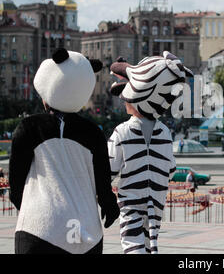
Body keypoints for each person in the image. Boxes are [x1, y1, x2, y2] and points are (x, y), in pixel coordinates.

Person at [9, 48, 119, 254]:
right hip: (86, 232)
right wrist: (109, 205)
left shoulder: (29, 128)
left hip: (40, 228)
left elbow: (16, 180)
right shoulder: (93, 133)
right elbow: (103, 182)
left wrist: (23, 206)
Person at [108, 51, 192, 254]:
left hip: (131, 201)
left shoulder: (122, 131)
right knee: (149, 241)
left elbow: (108, 168)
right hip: (156, 201)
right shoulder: (164, 131)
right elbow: (170, 168)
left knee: (133, 244)